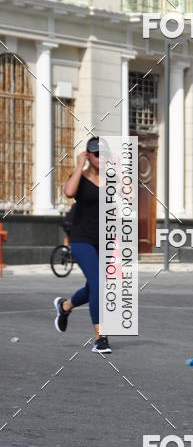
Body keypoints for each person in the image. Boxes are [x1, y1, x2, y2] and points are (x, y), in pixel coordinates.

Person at [53, 136, 111, 354]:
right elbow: (68, 192)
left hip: (104, 239)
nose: (101, 158)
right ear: (88, 156)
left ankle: (65, 306)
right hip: (81, 239)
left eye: (104, 154)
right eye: (97, 154)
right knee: (98, 285)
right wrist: (79, 166)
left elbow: (129, 193)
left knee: (95, 287)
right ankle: (101, 338)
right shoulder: (81, 176)